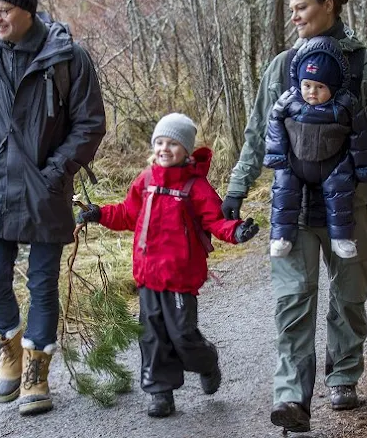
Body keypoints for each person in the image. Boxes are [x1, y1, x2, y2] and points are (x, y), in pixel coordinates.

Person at [221, 0, 367, 433]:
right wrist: (237, 188)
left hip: (354, 207)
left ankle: (343, 377)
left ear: (329, 5)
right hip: (293, 210)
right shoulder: (283, 67)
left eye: (302, 6)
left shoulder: (366, 65)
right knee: (292, 300)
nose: (295, 16)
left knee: (348, 297)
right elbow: (255, 136)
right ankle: (291, 397)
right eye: (291, 8)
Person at [0, 0, 106, 417]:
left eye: (2, 10)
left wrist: (56, 171)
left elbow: (90, 124)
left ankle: (37, 370)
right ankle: (10, 347)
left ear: (26, 10)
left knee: (42, 284)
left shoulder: (68, 57)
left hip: (45, 188)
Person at [77, 113, 260, 418]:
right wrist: (99, 214)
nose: (164, 148)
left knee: (183, 335)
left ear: (186, 150)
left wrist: (237, 230)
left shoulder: (195, 186)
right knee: (151, 335)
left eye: (173, 143)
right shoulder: (146, 181)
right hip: (148, 274)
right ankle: (160, 392)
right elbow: (126, 213)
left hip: (180, 276)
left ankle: (206, 361)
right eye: (160, 142)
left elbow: (215, 221)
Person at [264, 36, 367, 260]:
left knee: (340, 192)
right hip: (295, 162)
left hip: (333, 163)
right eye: (307, 85)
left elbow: (360, 136)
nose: (311, 92)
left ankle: (341, 237)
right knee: (284, 190)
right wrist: (276, 154)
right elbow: (274, 122)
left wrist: (363, 168)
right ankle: (281, 237)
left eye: (319, 87)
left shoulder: (345, 103)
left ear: (332, 87)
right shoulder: (290, 100)